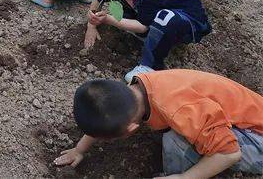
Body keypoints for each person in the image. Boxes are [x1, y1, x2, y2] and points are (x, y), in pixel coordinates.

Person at [55, 70, 263, 178]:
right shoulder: (135, 87)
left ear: (132, 130)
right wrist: (79, 149)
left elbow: (229, 153)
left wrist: (184, 177)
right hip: (225, 113)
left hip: (256, 136)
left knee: (175, 140)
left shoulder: (180, 112)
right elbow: (104, 110)